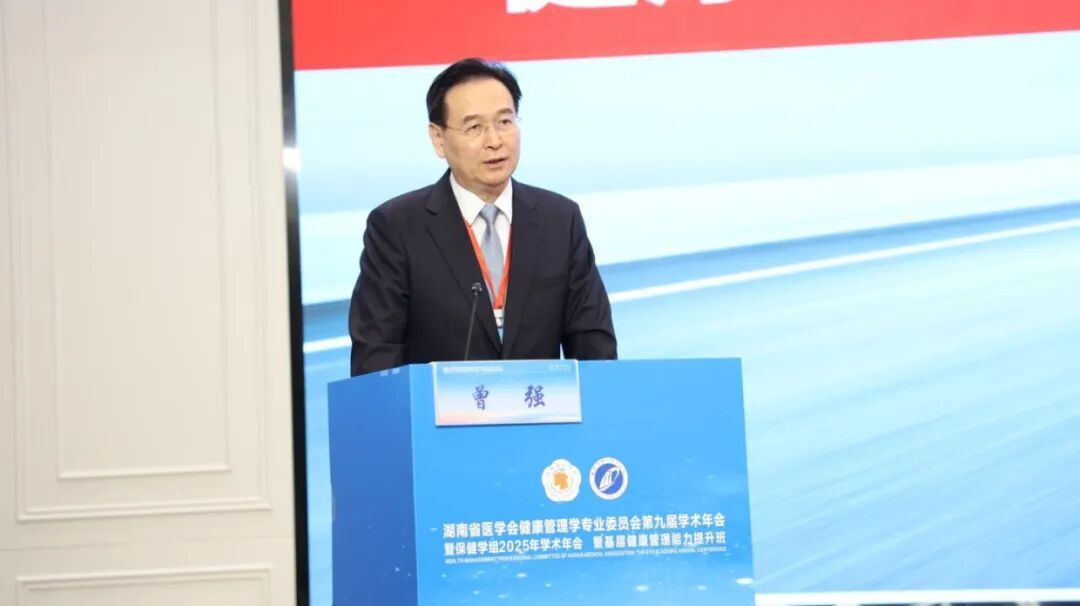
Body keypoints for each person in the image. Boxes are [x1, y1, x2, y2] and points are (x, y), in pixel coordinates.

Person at [348, 58, 617, 376]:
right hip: (439, 409)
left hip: (538, 407)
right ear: (438, 139)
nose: (494, 141)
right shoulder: (397, 227)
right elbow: (376, 360)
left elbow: (595, 352)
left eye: (505, 121)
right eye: (474, 127)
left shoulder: (560, 220)